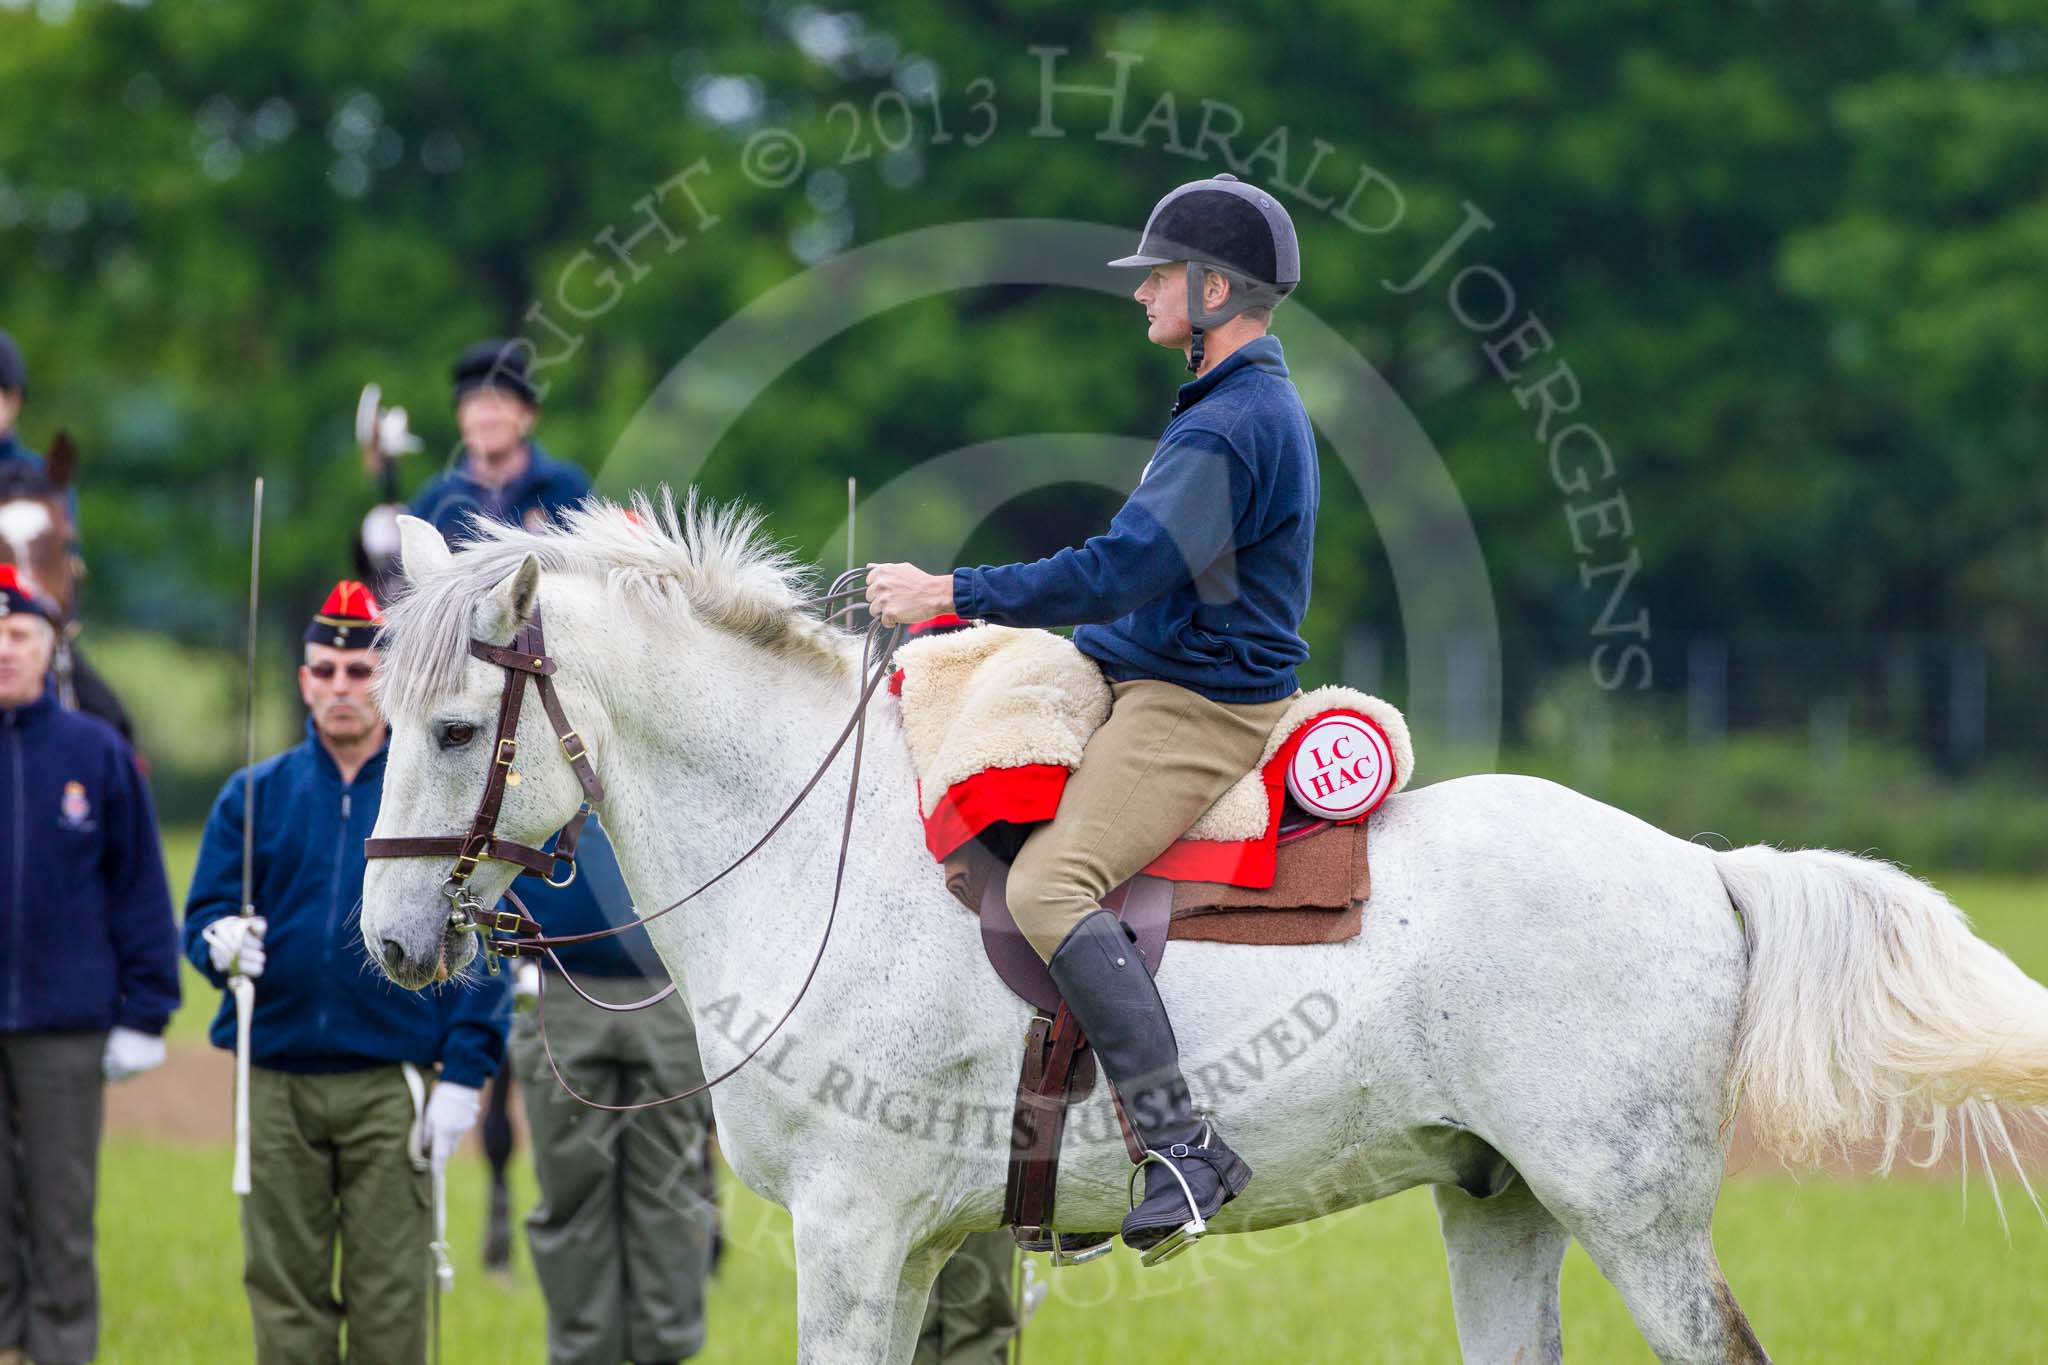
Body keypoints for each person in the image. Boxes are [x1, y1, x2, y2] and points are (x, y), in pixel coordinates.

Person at [864, 174, 1316, 1257]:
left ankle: (1179, 1146)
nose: (1140, 295)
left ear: (1212, 288)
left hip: (1197, 706)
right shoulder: (1218, 405)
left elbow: (1121, 569)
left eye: (1157, 277)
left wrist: (951, 593)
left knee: (1049, 884)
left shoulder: (1232, 424)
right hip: (1132, 671)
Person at [182, 581, 512, 1365]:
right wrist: (217, 940)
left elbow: (481, 934)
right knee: (285, 1295)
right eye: (324, 670)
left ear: (388, 679)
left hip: (388, 1085)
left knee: (392, 1302)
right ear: (303, 680)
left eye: (358, 670)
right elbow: (200, 917)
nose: (340, 686)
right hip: (275, 1081)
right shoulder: (253, 796)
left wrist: (466, 1073)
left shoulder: (432, 788)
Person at [0, 564, 179, 1365]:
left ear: (48, 647)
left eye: (19, 634)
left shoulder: (96, 753)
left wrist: (146, 1011)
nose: (4, 650)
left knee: (62, 1212)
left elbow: (140, 887)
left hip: (65, 1028)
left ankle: (61, 1351)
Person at [509, 837, 719, 1365]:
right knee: (571, 1192)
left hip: (668, 985)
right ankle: (583, 1353)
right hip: (560, 983)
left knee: (670, 1192)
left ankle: (665, 1352)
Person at [410, 338, 592, 539]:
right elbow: (396, 568)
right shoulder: (435, 499)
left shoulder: (567, 491)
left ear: (528, 415)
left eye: (500, 402)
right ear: (460, 417)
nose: (488, 418)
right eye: (476, 403)